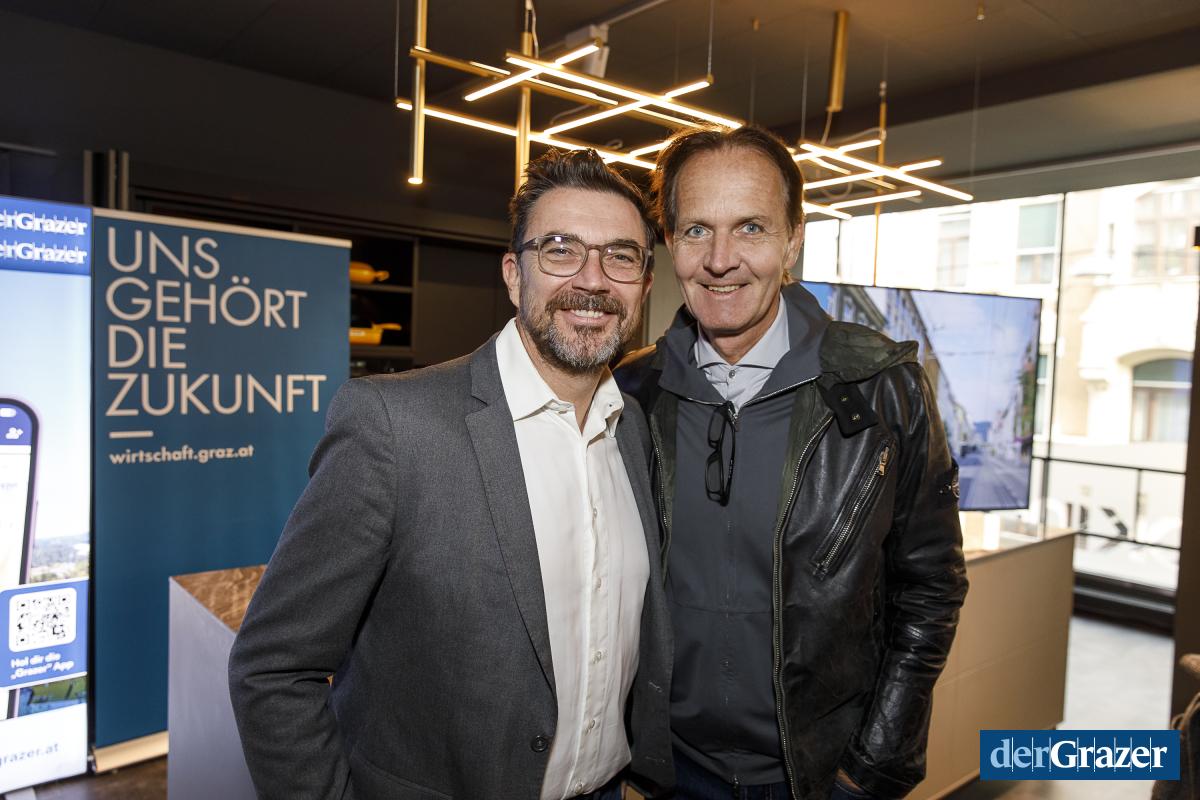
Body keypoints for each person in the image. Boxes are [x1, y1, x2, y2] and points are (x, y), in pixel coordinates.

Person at [228, 148, 674, 800]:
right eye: (560, 250)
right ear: (514, 275)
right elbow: (273, 668)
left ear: (644, 283)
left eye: (621, 256)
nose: (593, 279)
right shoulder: (394, 426)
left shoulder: (634, 428)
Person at [615, 126, 968, 800]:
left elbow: (931, 586)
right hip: (666, 774)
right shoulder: (631, 395)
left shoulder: (882, 388)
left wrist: (869, 767)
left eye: (750, 227)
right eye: (696, 231)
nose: (721, 260)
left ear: (793, 240)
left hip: (819, 777)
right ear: (669, 242)